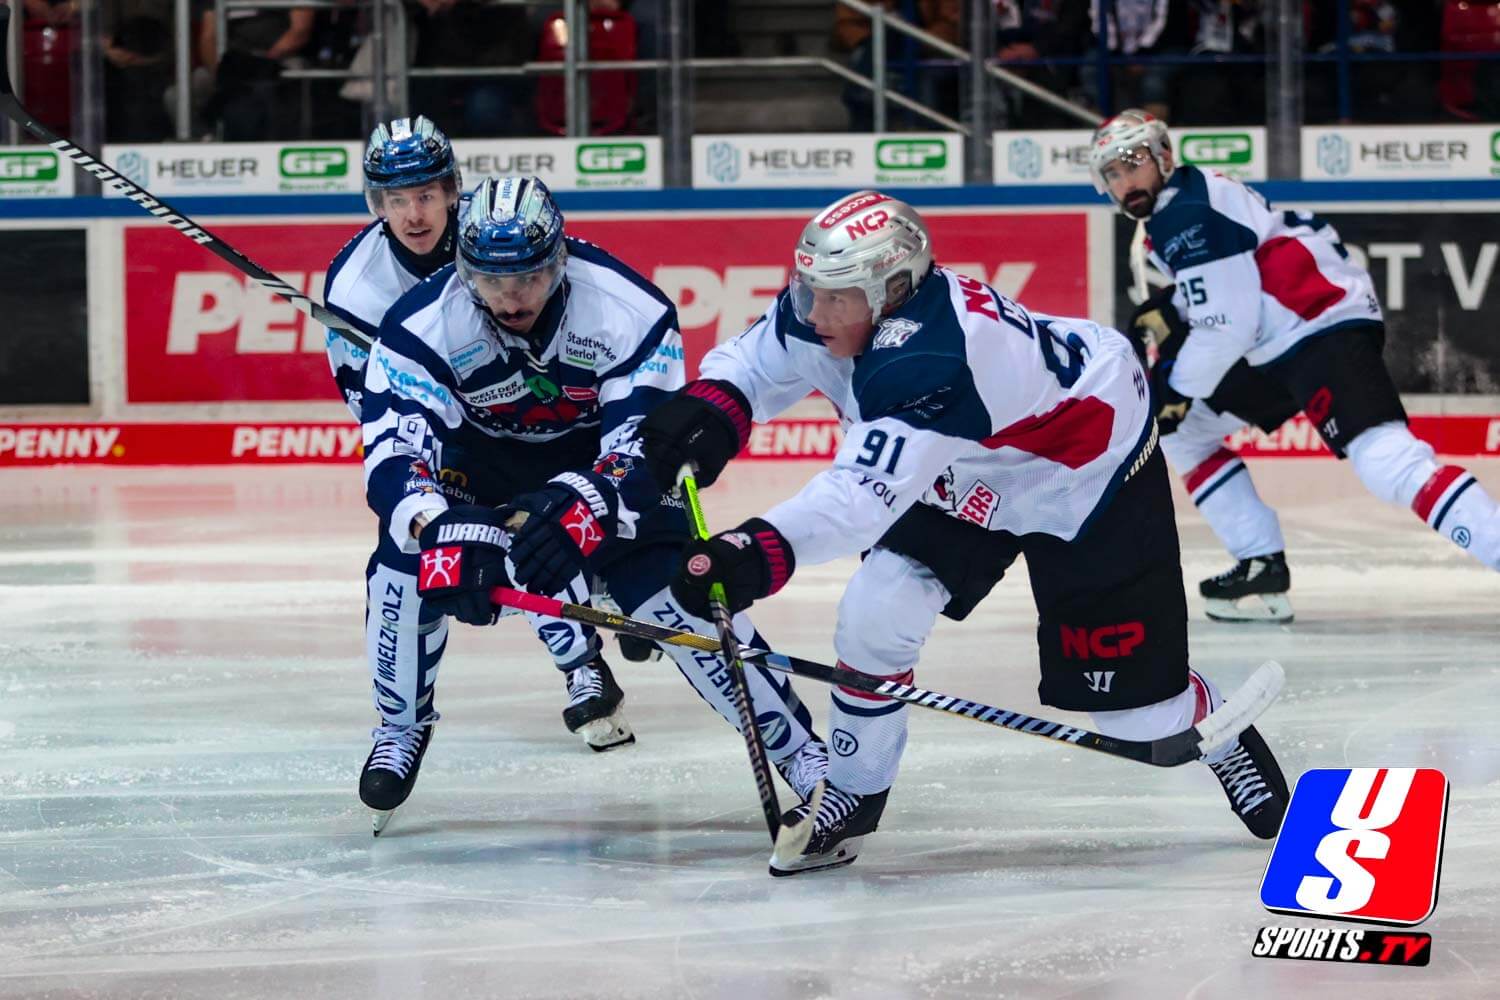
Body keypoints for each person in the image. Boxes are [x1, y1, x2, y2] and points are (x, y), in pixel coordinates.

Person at [636, 190, 1289, 877]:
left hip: (1079, 474)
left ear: (893, 292)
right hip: (960, 461)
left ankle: (1217, 729)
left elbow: (862, 494)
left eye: (836, 298)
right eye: (808, 289)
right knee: (874, 612)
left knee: (1138, 721)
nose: (814, 313)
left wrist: (756, 550)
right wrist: (711, 408)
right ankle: (853, 791)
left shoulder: (934, 360)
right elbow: (756, 361)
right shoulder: (830, 314)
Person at [358, 174, 828, 832]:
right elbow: (392, 454)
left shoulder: (627, 308)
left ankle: (803, 754)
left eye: (527, 277)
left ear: (559, 261)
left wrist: (586, 506)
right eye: (492, 282)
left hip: (601, 465)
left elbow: (646, 444)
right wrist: (436, 526)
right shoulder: (418, 327)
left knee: (680, 593)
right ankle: (401, 725)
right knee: (405, 567)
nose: (511, 298)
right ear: (464, 272)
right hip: (484, 469)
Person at [325, 120, 640, 834]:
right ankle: (401, 723)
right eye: (395, 196)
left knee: (541, 525)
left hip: (548, 416)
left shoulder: (501, 227)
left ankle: (581, 660)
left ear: (452, 190)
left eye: (427, 193)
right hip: (454, 430)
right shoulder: (355, 285)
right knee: (410, 560)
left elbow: (567, 300)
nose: (413, 213)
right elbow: (377, 411)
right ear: (374, 201)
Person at [1092, 109, 1500, 623]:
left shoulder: (1184, 212)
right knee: (1187, 431)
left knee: (1386, 462)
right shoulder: (1183, 203)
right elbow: (1235, 289)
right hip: (1276, 339)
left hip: (1317, 325)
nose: (1125, 180)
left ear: (1164, 156)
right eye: (1111, 172)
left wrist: (1175, 385)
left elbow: (1227, 324)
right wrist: (1174, 311)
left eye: (1132, 162)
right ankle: (1259, 558)